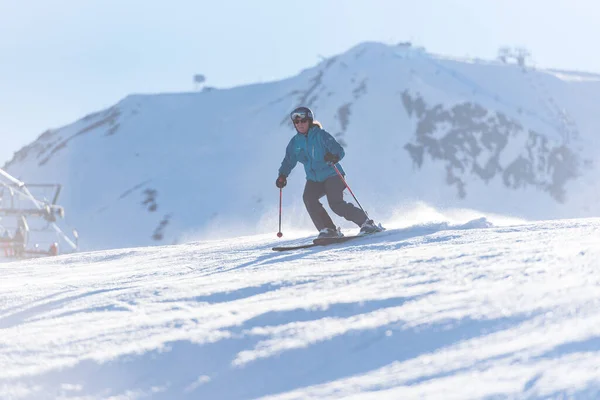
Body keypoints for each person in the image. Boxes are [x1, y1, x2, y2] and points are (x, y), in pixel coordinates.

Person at [276, 106, 382, 239]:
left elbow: (339, 150)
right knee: (309, 199)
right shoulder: (295, 142)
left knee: (335, 204)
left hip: (332, 174)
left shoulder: (321, 135)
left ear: (309, 121)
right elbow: (288, 160)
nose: (300, 124)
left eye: (303, 121)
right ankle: (328, 230)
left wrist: (334, 156)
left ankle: (366, 223)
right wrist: (282, 175)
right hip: (314, 178)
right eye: (297, 122)